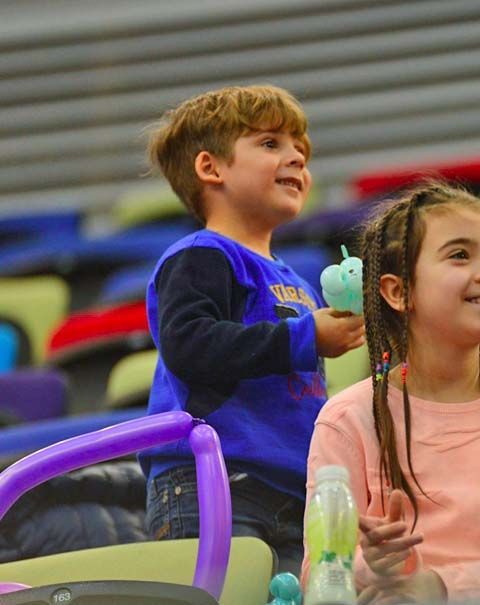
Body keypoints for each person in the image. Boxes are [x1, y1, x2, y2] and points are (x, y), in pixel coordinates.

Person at [302, 183, 480, 604]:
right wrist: (371, 567)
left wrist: (439, 587)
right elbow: (319, 571)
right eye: (459, 254)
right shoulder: (348, 417)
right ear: (399, 292)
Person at [139, 84, 365, 575]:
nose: (296, 160)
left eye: (300, 152)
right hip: (215, 481)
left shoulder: (297, 280)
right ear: (210, 167)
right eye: (271, 144)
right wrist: (306, 338)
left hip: (291, 489)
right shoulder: (200, 255)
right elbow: (192, 346)